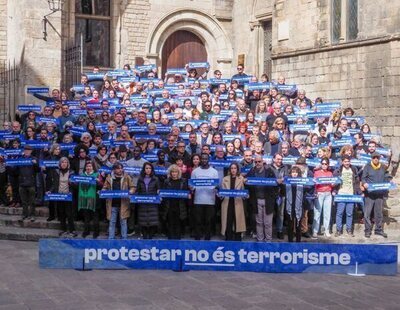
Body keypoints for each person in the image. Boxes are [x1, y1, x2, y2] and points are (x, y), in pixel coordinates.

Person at [246, 155, 277, 242]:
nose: (257, 163)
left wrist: (273, 196)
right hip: (256, 200)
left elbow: (275, 184)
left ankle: (268, 240)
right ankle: (260, 240)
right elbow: (246, 183)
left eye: (259, 161)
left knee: (268, 223)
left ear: (263, 161)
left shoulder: (269, 171)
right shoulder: (251, 171)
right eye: (255, 162)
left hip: (268, 201)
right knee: (259, 222)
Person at [361, 152, 392, 238]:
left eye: (377, 157)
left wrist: (389, 182)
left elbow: (386, 177)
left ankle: (378, 230)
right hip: (369, 194)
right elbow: (363, 178)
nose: (376, 159)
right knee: (367, 213)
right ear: (371, 158)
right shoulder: (367, 166)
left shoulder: (382, 167)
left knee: (379, 213)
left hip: (379, 194)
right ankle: (367, 230)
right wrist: (364, 183)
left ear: (379, 158)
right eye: (374, 157)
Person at [103, 163, 135, 239]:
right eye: (118, 168)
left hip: (123, 203)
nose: (120, 170)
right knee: (112, 222)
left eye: (121, 168)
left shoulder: (127, 177)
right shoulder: (109, 177)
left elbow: (133, 187)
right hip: (112, 204)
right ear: (114, 170)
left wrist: (130, 191)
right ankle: (111, 239)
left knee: (123, 222)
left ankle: (124, 239)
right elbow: (104, 188)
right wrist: (102, 191)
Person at [190, 153, 219, 240]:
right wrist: (191, 187)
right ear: (200, 160)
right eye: (202, 159)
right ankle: (198, 237)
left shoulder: (214, 172)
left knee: (208, 221)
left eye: (206, 159)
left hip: (210, 200)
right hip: (198, 200)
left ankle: (207, 237)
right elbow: (192, 187)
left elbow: (216, 186)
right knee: (198, 221)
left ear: (208, 160)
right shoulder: (195, 171)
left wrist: (216, 186)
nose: (204, 160)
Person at [332, 155, 361, 237]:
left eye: (348, 161)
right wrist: (334, 191)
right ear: (342, 162)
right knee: (339, 213)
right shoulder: (338, 170)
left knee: (349, 213)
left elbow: (357, 182)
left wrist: (359, 192)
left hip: (351, 195)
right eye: (345, 161)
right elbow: (334, 183)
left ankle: (349, 230)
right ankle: (338, 230)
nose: (347, 163)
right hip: (341, 194)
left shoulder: (354, 169)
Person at [48, 157, 76, 237]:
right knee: (61, 213)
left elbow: (75, 184)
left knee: (69, 214)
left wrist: (72, 183)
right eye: (62, 162)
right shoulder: (57, 171)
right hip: (59, 196)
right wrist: (50, 190)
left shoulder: (72, 172)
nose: (64, 164)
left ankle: (72, 230)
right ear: (60, 164)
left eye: (65, 162)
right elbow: (55, 184)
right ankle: (63, 229)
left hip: (68, 196)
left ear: (68, 164)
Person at [220, 163, 246, 241]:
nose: (233, 170)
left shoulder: (241, 178)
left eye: (235, 168)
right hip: (227, 202)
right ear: (230, 170)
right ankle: (228, 237)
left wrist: (245, 195)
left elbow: (243, 191)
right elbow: (222, 192)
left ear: (237, 169)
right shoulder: (225, 179)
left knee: (237, 220)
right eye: (232, 168)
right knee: (228, 220)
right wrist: (220, 194)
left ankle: (238, 237)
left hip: (237, 202)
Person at [163, 164, 189, 239]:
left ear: (178, 173)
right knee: (170, 223)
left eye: (176, 172)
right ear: (170, 173)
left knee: (178, 223)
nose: (174, 174)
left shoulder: (183, 181)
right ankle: (170, 239)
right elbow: (164, 193)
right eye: (172, 172)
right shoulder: (166, 181)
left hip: (180, 205)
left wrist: (187, 195)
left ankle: (178, 239)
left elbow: (185, 192)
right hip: (169, 205)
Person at [78, 161, 102, 239]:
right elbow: (77, 185)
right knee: (86, 217)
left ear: (93, 167)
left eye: (90, 166)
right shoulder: (81, 175)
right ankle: (86, 231)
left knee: (95, 217)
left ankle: (96, 232)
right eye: (87, 166)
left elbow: (102, 185)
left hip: (94, 199)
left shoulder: (97, 175)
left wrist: (98, 182)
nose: (88, 168)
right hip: (84, 199)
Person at [136, 162, 160, 239]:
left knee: (152, 222)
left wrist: (159, 193)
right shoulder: (140, 179)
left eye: (150, 168)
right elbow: (138, 191)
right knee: (143, 222)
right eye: (146, 168)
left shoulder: (156, 179)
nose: (148, 170)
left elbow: (158, 190)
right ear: (144, 169)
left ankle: (151, 237)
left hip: (153, 204)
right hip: (142, 204)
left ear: (152, 169)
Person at [313, 157, 334, 238]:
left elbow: (332, 184)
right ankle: (315, 231)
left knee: (327, 213)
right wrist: (315, 193)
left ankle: (326, 230)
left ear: (328, 165)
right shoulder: (317, 173)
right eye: (323, 164)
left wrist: (334, 182)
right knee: (317, 213)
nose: (324, 165)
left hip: (328, 194)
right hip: (319, 194)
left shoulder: (330, 173)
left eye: (326, 164)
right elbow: (314, 184)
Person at [18, 145, 39, 222]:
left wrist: (35, 164)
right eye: (25, 150)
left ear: (31, 151)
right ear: (24, 151)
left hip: (31, 183)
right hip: (22, 183)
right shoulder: (20, 159)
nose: (27, 151)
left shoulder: (34, 159)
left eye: (28, 150)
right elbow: (15, 171)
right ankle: (24, 214)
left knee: (32, 201)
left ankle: (32, 215)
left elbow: (38, 170)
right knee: (24, 201)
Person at [285, 166, 305, 242]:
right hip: (289, 206)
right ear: (290, 173)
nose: (295, 174)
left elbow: (308, 189)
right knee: (290, 225)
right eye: (293, 172)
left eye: (296, 172)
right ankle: (290, 241)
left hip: (299, 207)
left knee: (298, 226)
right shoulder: (287, 182)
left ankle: (298, 242)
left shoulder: (302, 182)